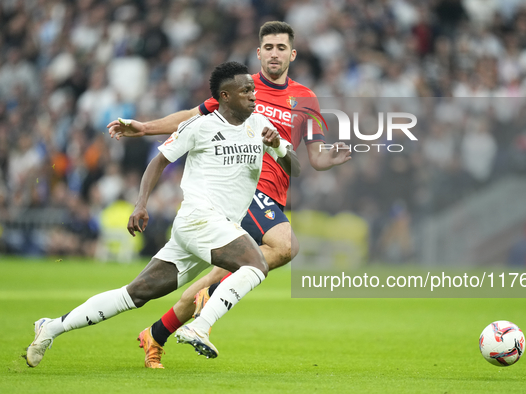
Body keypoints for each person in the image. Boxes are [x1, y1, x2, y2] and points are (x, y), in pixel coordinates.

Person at [107, 21, 351, 368]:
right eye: (268, 47)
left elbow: (314, 156)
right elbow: (193, 116)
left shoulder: (306, 99)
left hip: (274, 197)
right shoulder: (242, 88)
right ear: (259, 52)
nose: (274, 53)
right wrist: (145, 127)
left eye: (281, 48)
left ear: (292, 54)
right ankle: (204, 316)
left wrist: (331, 158)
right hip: (245, 190)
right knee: (286, 246)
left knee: (223, 274)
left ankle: (157, 333)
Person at [25, 61, 297, 367]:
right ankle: (200, 326)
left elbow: (293, 168)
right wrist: (141, 204)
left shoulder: (260, 125)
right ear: (225, 96)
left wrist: (281, 149)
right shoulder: (200, 126)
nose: (253, 95)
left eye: (253, 89)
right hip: (200, 219)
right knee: (255, 263)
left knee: (136, 294)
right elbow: (159, 161)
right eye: (245, 89)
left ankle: (51, 326)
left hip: (213, 228)